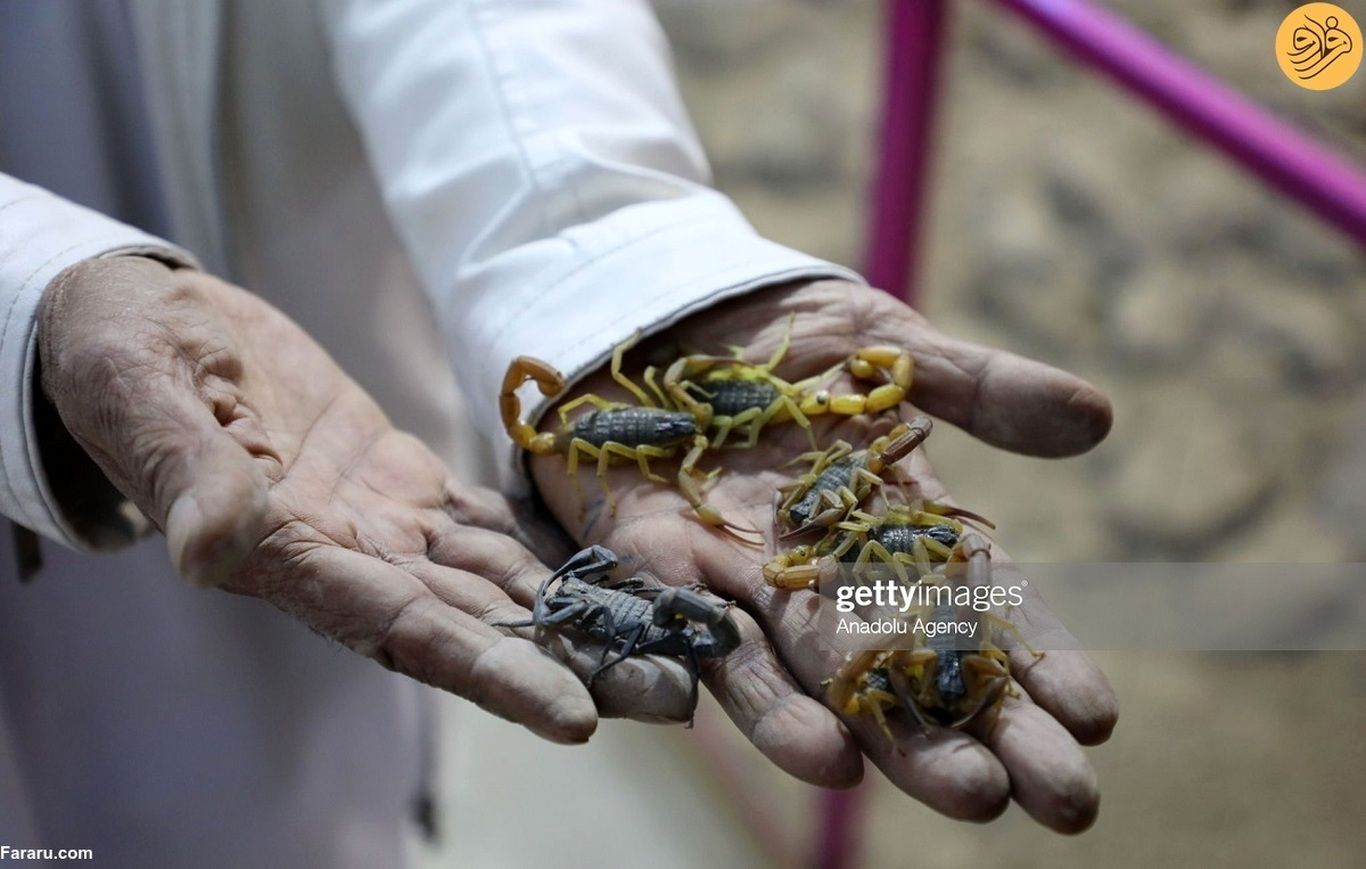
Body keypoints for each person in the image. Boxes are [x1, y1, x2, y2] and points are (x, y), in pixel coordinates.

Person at [0, 1, 1118, 864]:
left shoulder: (751, 455)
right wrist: (31, 296)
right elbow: (695, 457)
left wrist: (609, 259)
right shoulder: (677, 452)